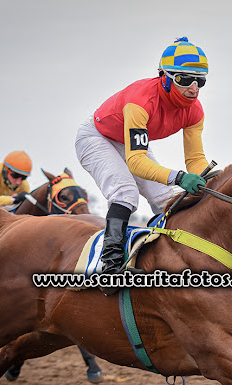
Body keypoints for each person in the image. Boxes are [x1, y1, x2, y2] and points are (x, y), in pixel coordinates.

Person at [75, 37, 210, 281]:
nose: (194, 89)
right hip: (96, 137)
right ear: (164, 77)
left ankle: (160, 259)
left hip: (127, 142)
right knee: (125, 192)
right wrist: (180, 177)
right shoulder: (141, 100)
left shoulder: (195, 110)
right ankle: (111, 266)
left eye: (200, 81)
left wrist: (212, 179)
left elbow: (196, 160)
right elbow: (136, 162)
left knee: (167, 198)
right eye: (185, 79)